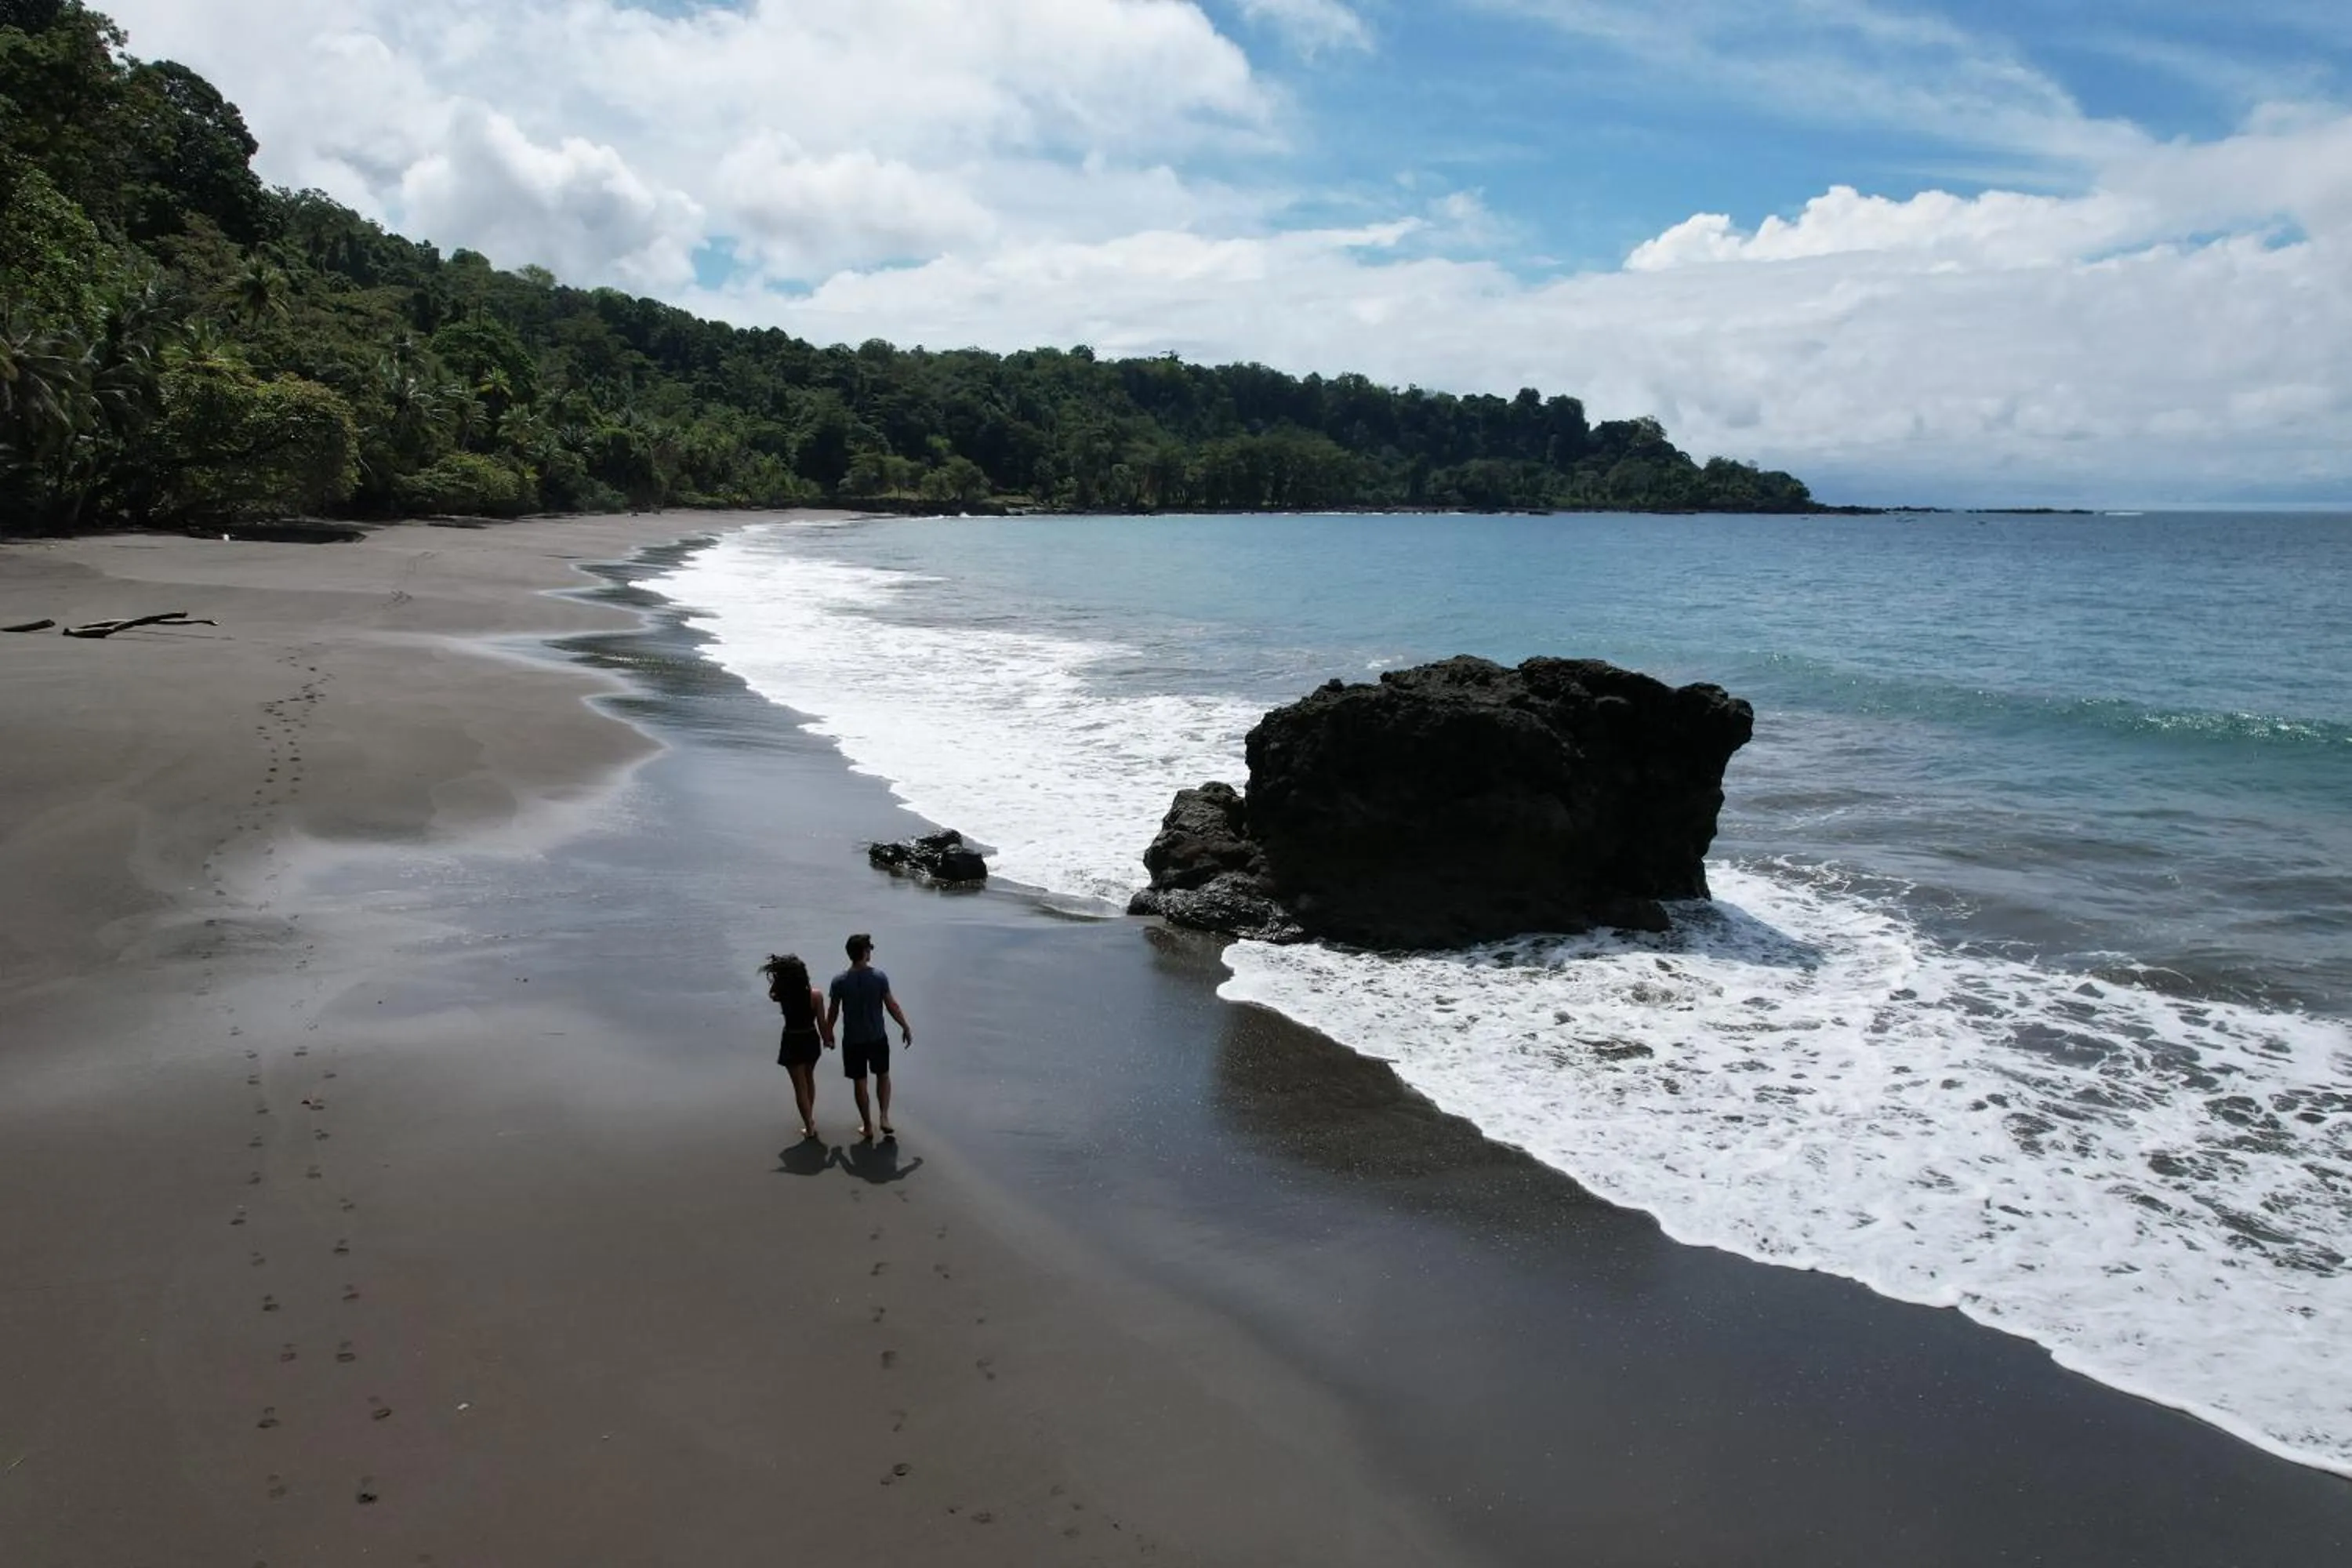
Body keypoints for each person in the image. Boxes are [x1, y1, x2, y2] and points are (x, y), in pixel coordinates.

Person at [825, 932, 913, 1141]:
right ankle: (884, 1117)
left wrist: (828, 1033)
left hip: (853, 1040)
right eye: (869, 949)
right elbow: (892, 1005)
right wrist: (905, 1026)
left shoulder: (839, 981)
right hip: (877, 1037)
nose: (870, 952)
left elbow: (833, 1011)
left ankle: (867, 1126)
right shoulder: (878, 977)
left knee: (860, 1082)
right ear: (865, 953)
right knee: (883, 1075)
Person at [759, 953, 833, 1141]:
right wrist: (827, 1039)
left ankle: (809, 1126)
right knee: (809, 1079)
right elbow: (822, 1023)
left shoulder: (783, 996)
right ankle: (810, 1117)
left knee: (799, 1087)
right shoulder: (815, 996)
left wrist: (779, 980)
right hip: (810, 1039)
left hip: (792, 1039)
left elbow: (772, 994)